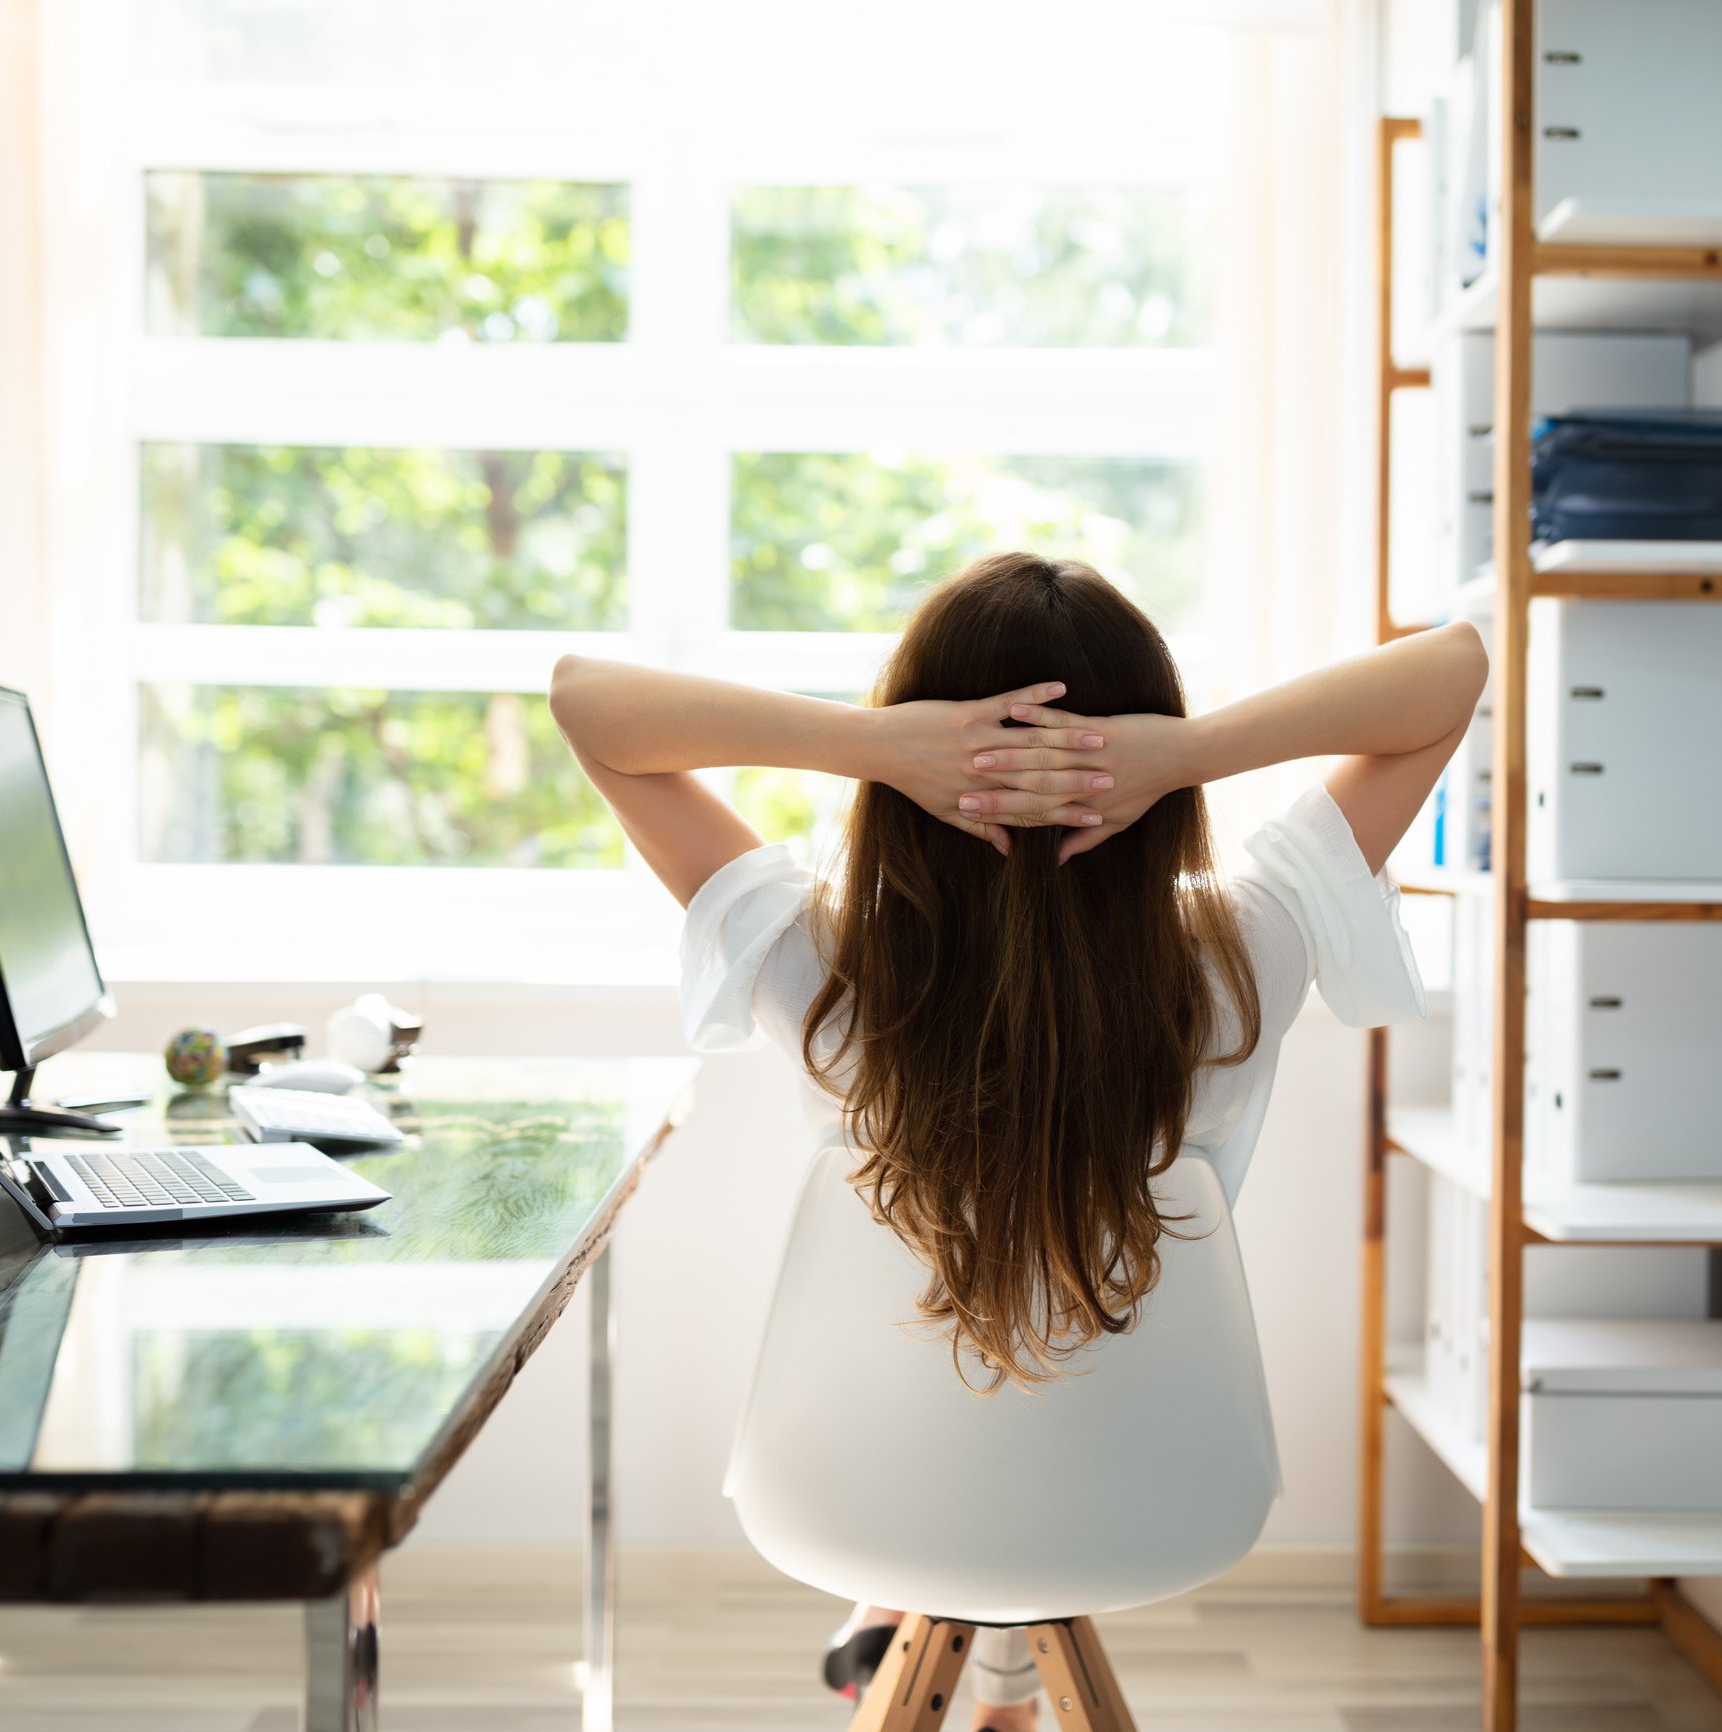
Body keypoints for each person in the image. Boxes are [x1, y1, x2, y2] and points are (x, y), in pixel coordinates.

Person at [547, 551, 1487, 1731]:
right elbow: (1454, 671)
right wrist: (1181, 752)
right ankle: (983, 1677)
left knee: (943, 1383)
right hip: (1148, 1488)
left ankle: (899, 1619)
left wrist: (885, 746)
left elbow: (586, 699)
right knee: (1025, 1394)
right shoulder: (1242, 958)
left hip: (861, 1487)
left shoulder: (830, 968)